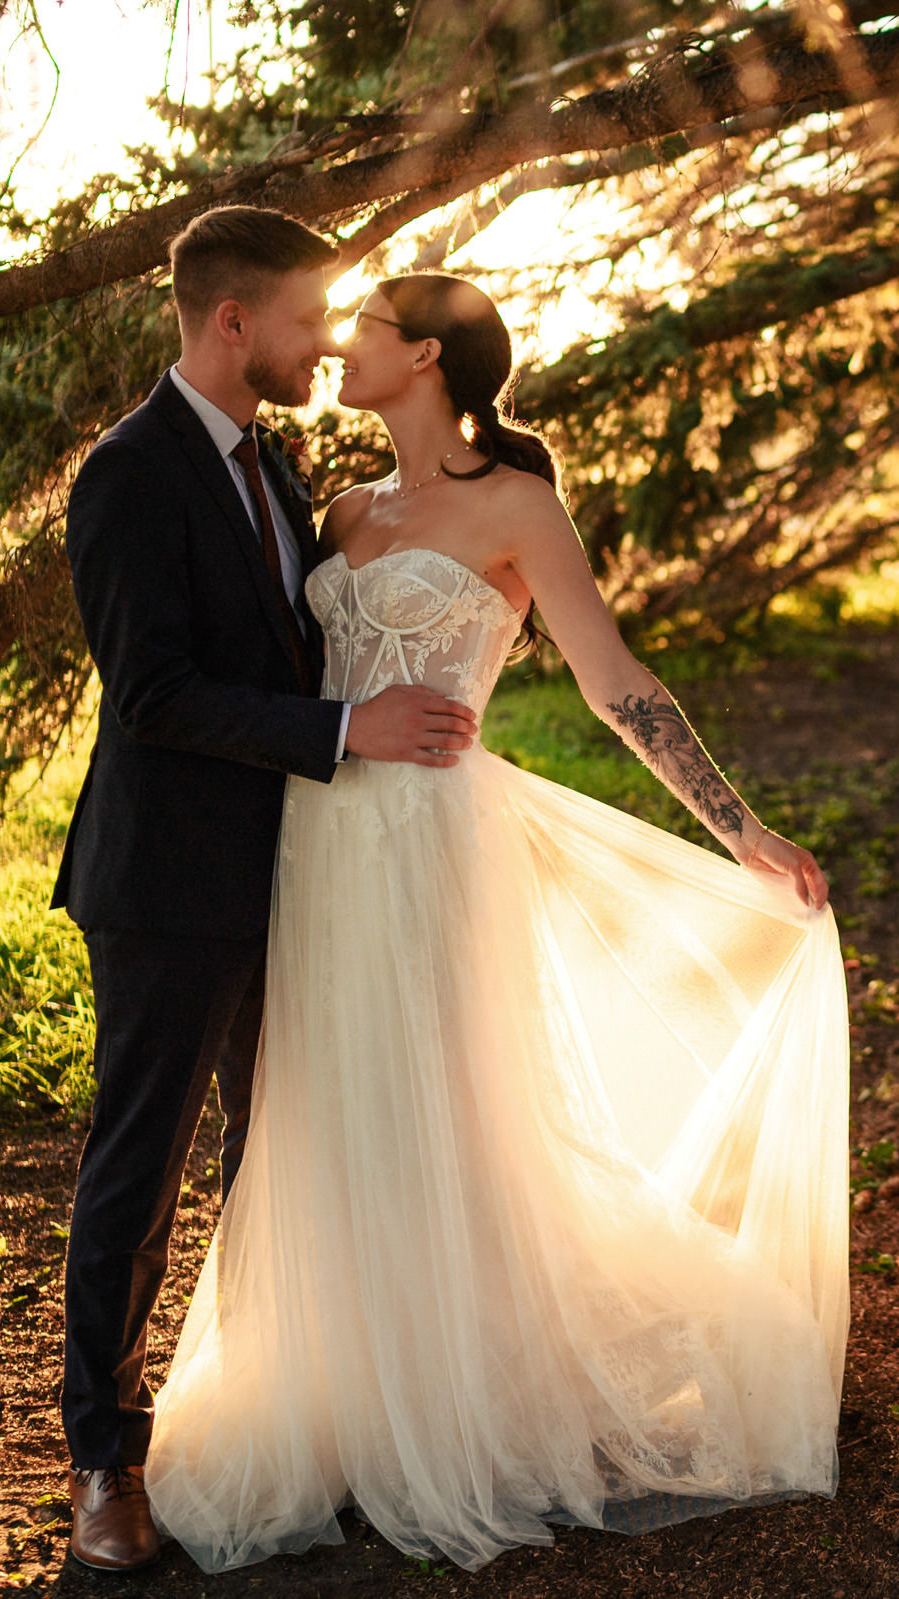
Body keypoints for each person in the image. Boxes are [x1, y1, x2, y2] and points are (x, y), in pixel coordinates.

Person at [144, 274, 850, 1574]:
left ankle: (458, 1408)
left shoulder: (520, 509)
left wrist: (739, 829)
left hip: (430, 841)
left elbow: (613, 680)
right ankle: (352, 1404)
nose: (337, 350)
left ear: (422, 357)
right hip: (318, 842)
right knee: (331, 1109)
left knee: (448, 1104)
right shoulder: (341, 506)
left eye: (359, 334)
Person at [51, 222, 476, 1573]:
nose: (322, 342)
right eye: (308, 320)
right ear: (233, 322)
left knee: (275, 1162)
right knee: (142, 1166)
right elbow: (158, 695)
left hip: (300, 874)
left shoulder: (272, 465)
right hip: (169, 884)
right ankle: (105, 1464)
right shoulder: (128, 474)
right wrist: (350, 728)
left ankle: (266, 1423)